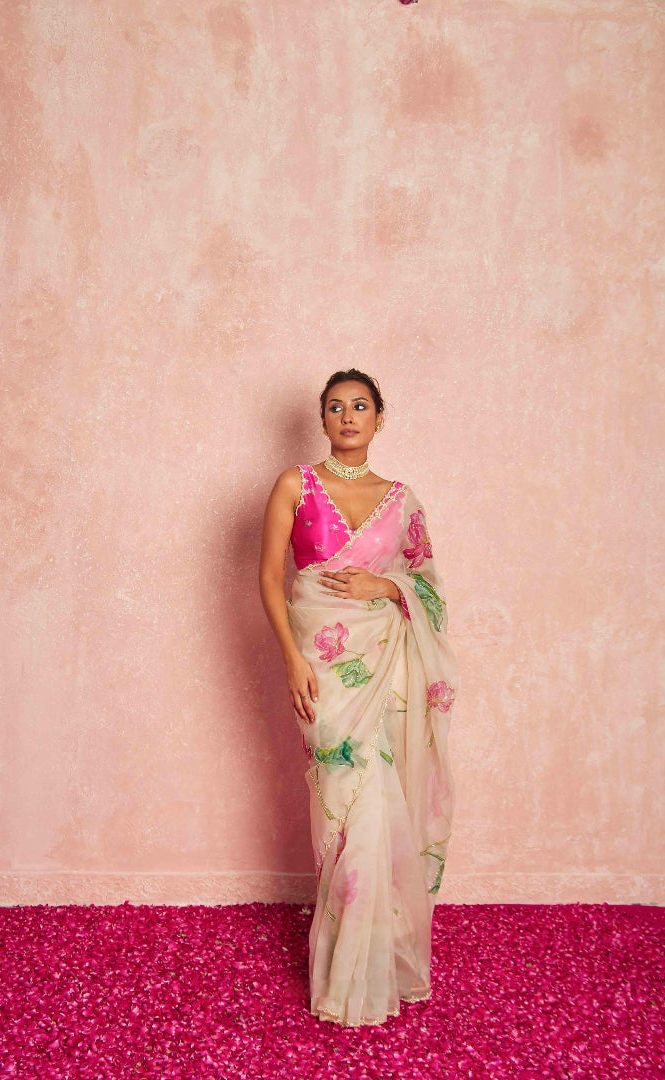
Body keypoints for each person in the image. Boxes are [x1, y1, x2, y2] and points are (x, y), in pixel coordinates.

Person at [258, 369, 458, 1027]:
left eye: (360, 406)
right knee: (343, 799)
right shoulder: (295, 484)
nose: (348, 416)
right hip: (321, 666)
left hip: (385, 668)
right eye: (337, 406)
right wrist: (292, 660)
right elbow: (269, 578)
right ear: (322, 418)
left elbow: (428, 587)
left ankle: (367, 969)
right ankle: (353, 962)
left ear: (379, 417)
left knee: (379, 796)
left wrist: (388, 588)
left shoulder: (401, 500)